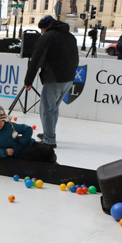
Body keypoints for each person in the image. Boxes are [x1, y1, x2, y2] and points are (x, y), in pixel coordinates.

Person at [24, 14, 79, 149]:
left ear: (45, 27)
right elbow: (76, 58)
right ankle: (49, 134)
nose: (41, 32)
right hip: (69, 78)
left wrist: (28, 80)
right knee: (53, 108)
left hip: (54, 78)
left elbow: (36, 59)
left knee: (47, 109)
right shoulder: (70, 36)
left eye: (42, 29)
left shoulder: (47, 37)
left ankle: (49, 140)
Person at [0, 98, 56, 162]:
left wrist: (22, 142)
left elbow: (28, 129)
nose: (0, 123)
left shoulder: (9, 126)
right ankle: (47, 167)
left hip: (26, 144)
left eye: (2, 121)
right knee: (33, 154)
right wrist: (4, 152)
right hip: (18, 153)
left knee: (47, 150)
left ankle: (54, 163)